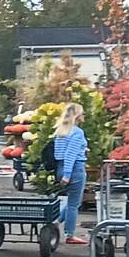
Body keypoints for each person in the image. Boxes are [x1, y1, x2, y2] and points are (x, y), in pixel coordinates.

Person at [51, 102, 89, 245]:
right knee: (74, 204)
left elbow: (61, 153)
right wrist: (68, 174)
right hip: (75, 169)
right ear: (78, 115)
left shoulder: (60, 131)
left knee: (72, 201)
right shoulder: (77, 132)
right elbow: (70, 154)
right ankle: (70, 234)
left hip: (60, 168)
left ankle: (55, 221)